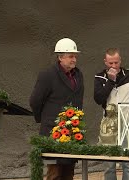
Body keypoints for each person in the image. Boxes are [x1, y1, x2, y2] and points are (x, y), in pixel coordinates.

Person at [29, 37, 84, 180]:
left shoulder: (78, 75)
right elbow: (35, 101)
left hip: (72, 133)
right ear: (60, 57)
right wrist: (44, 120)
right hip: (53, 133)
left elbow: (79, 101)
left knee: (68, 174)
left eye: (75, 56)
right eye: (71, 56)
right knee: (54, 173)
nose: (74, 59)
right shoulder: (47, 75)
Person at [94, 48, 129, 180]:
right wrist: (110, 81)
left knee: (128, 162)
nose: (114, 66)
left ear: (120, 61)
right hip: (108, 124)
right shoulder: (99, 77)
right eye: (110, 63)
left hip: (128, 122)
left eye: (116, 62)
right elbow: (98, 99)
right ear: (105, 62)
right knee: (109, 163)